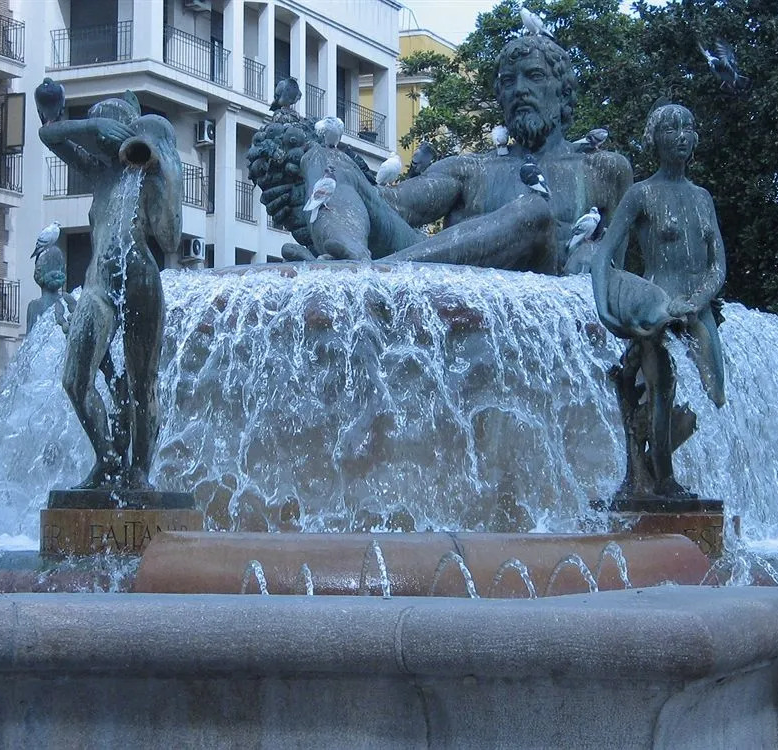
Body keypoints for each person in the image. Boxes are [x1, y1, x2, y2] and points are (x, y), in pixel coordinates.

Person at [290, 35, 633, 271]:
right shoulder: (469, 169)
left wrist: (589, 252)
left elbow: (612, 265)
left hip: (541, 291)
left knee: (533, 209)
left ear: (564, 92)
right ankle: (348, 264)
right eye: (508, 82)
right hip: (435, 278)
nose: (520, 90)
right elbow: (390, 204)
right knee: (326, 160)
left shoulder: (603, 170)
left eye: (534, 76)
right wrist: (319, 200)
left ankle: (376, 274)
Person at [38, 94, 182, 490]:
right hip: (99, 283)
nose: (103, 143)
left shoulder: (149, 175)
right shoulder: (96, 171)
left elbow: (170, 240)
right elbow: (48, 135)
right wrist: (91, 126)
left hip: (141, 282)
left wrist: (165, 169)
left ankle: (139, 472)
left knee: (142, 385)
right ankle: (107, 459)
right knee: (75, 380)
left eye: (109, 128)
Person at [591, 103, 726, 498]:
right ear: (654, 139)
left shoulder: (702, 197)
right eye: (671, 128)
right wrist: (608, 306)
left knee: (716, 392)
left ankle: (648, 469)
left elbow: (718, 264)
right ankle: (661, 478)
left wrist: (697, 300)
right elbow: (604, 255)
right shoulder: (641, 193)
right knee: (660, 390)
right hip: (655, 308)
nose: (681, 136)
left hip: (697, 306)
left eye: (688, 127)